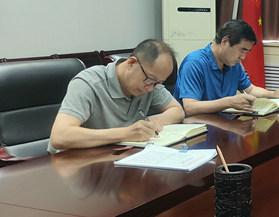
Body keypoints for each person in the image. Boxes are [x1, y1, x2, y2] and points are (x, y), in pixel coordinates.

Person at [49, 39, 186, 152]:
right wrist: (126, 133)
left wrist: (152, 122)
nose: (151, 88)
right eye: (150, 80)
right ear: (131, 63)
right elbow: (60, 136)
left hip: (115, 156)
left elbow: (177, 110)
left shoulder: (150, 83)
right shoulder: (88, 84)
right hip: (73, 164)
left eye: (158, 83)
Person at [173, 20, 279, 116]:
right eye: (242, 50)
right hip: (197, 129)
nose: (243, 57)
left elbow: (250, 89)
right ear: (225, 42)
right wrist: (229, 102)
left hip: (223, 124)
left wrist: (273, 94)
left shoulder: (232, 63)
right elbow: (190, 107)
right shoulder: (194, 63)